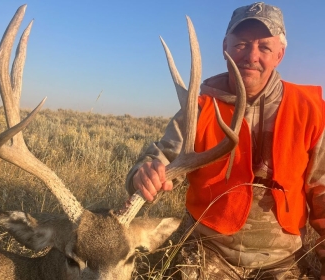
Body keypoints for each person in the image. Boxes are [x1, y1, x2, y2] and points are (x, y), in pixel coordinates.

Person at [125, 2, 325, 279]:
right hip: (210, 251)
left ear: (280, 54)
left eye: (264, 47)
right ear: (225, 46)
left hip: (284, 260)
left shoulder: (310, 110)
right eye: (241, 44)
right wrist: (144, 174)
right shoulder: (198, 109)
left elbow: (322, 191)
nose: (251, 56)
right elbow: (159, 160)